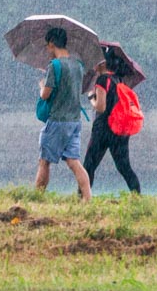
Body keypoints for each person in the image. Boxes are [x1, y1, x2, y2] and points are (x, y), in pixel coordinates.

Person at [35, 27, 92, 200]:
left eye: (47, 46)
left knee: (44, 161)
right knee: (74, 162)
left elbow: (46, 94)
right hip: (74, 120)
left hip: (58, 120)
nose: (47, 50)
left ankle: (37, 197)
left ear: (52, 44)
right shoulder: (78, 66)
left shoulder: (54, 65)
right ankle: (88, 199)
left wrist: (41, 86)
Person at [84, 52, 141, 194]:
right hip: (119, 129)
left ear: (103, 63)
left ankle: (83, 198)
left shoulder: (102, 80)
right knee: (124, 167)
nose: (94, 64)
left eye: (96, 61)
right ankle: (137, 197)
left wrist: (91, 97)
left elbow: (100, 107)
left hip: (103, 129)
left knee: (89, 166)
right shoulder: (119, 80)